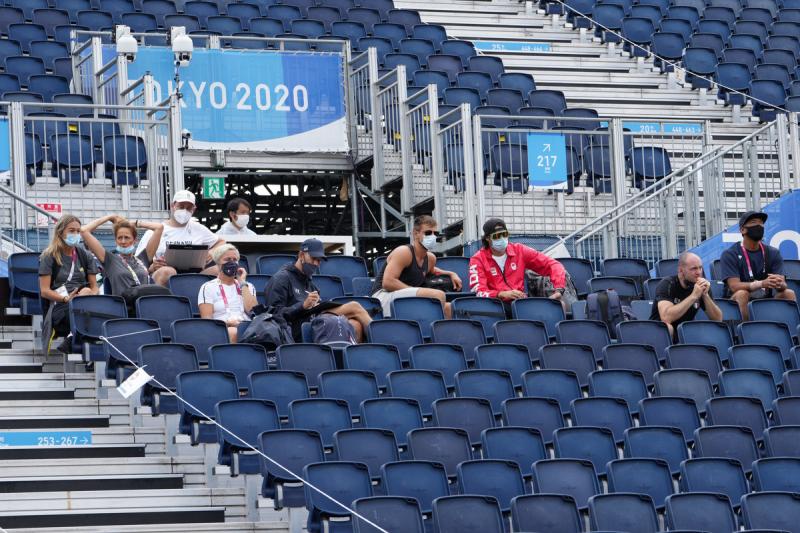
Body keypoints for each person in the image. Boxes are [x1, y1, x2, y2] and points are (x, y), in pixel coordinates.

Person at [264, 238, 372, 341]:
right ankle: (380, 339)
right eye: (313, 258)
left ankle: (358, 352)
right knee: (354, 307)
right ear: (301, 255)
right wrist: (302, 306)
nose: (316, 263)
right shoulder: (281, 278)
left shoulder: (310, 284)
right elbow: (273, 314)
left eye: (319, 260)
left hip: (316, 321)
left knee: (355, 325)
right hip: (295, 328)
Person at [469, 218, 568, 314]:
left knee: (557, 306)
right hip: (496, 305)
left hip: (520, 303)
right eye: (497, 236)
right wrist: (501, 294)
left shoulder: (519, 250)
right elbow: (479, 292)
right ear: (487, 238)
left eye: (504, 234)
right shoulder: (478, 259)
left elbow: (553, 265)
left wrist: (559, 289)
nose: (502, 239)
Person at [371, 215, 462, 318]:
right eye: (428, 233)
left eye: (435, 233)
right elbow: (388, 283)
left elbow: (433, 271)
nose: (433, 237)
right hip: (383, 297)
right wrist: (416, 293)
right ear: (416, 234)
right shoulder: (404, 252)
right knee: (438, 295)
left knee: (448, 308)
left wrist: (451, 274)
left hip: (404, 298)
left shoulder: (431, 258)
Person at [135, 190, 225, 287]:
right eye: (181, 207)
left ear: (194, 209)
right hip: (163, 272)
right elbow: (139, 262)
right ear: (172, 206)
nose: (185, 211)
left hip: (194, 274)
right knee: (168, 271)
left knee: (219, 270)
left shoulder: (199, 229)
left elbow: (222, 242)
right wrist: (152, 267)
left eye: (189, 208)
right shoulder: (155, 231)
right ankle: (160, 296)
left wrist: (211, 252)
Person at [38, 214, 99, 353]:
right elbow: (45, 291)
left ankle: (73, 338)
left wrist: (91, 294)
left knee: (91, 299)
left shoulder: (85, 255)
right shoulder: (49, 256)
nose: (76, 234)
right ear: (60, 232)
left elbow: (94, 286)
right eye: (71, 231)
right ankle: (78, 341)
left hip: (85, 301)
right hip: (61, 304)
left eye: (78, 231)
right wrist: (66, 298)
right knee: (87, 313)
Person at [720, 210, 796, 321]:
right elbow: (734, 286)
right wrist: (761, 284)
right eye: (754, 222)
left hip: (765, 299)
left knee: (788, 293)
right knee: (742, 294)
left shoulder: (773, 253)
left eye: (761, 223)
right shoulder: (730, 254)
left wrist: (779, 283)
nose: (759, 226)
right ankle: (745, 329)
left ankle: (789, 331)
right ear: (743, 230)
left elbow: (783, 284)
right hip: (737, 300)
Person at [80, 215, 163, 297]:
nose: (123, 241)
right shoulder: (110, 260)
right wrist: (109, 217)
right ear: (116, 241)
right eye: (119, 238)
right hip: (123, 304)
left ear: (135, 240)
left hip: (144, 303)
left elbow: (159, 228)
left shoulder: (143, 258)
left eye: (127, 237)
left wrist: (134, 223)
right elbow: (84, 230)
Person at [650, 252, 722, 338]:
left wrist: (705, 295)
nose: (699, 272)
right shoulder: (667, 284)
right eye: (694, 269)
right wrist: (693, 296)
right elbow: (666, 318)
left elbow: (718, 319)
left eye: (700, 268)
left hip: (686, 333)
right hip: (659, 333)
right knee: (668, 327)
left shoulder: (701, 286)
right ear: (681, 270)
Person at [198, 244, 258, 342]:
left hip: (247, 327)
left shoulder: (248, 286)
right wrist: (227, 323)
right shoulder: (208, 287)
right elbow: (207, 320)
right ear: (218, 263)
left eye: (234, 260)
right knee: (232, 331)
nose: (232, 262)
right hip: (222, 328)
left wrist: (242, 283)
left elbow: (253, 311)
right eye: (227, 259)